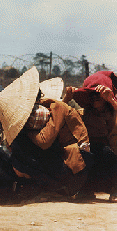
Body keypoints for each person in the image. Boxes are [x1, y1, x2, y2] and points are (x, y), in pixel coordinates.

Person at [0, 67, 92, 198]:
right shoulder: (36, 115)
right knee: (2, 154)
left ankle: (53, 188)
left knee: (19, 148)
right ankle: (37, 186)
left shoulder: (56, 108)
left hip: (72, 168)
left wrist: (24, 130)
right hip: (58, 164)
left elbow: (44, 142)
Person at [62, 71, 117, 201]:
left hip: (112, 156)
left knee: (107, 154)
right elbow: (61, 117)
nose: (95, 97)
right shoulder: (85, 114)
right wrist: (66, 99)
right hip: (92, 154)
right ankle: (86, 189)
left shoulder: (114, 111)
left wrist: (112, 101)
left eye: (98, 94)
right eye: (91, 95)